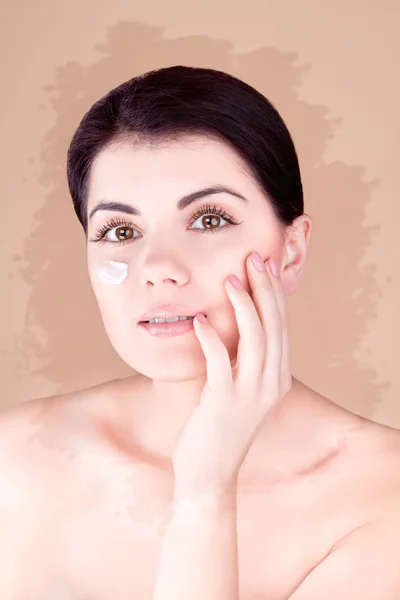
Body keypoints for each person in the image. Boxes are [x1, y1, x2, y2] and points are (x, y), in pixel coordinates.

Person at [0, 65, 399, 600]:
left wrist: (206, 493)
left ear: (293, 251)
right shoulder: (14, 456)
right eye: (120, 230)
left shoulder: (384, 495)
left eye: (209, 219)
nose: (158, 266)